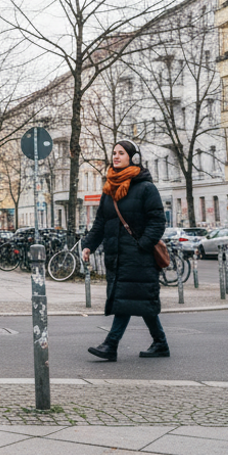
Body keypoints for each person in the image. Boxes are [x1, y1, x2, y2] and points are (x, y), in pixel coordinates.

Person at [80, 140, 169, 361]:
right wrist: (89, 244)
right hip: (116, 256)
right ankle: (160, 343)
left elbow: (157, 222)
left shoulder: (145, 187)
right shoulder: (109, 189)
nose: (116, 156)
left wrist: (142, 245)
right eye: (114, 153)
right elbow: (101, 222)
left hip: (139, 256)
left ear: (131, 157)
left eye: (121, 153)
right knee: (139, 301)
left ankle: (110, 345)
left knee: (125, 300)